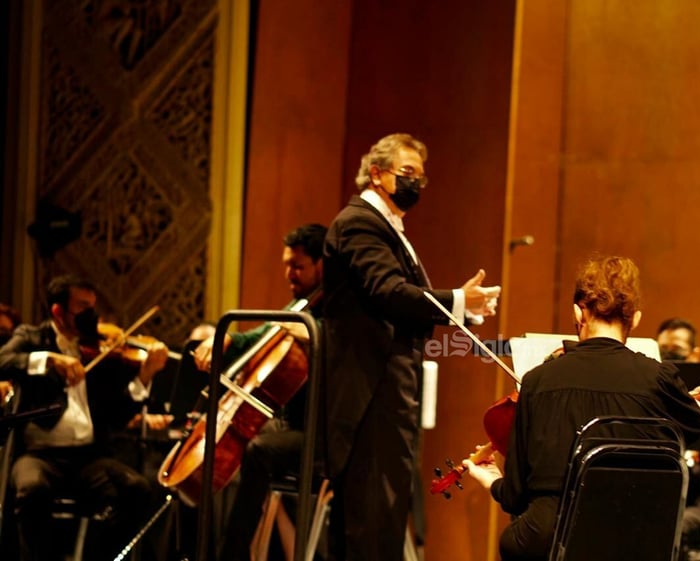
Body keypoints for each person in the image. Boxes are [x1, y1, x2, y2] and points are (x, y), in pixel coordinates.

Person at [321, 132, 500, 561]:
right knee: (373, 509)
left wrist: (464, 309)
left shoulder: (387, 226)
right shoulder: (361, 221)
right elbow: (387, 291)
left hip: (387, 383)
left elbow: (403, 297)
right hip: (371, 387)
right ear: (378, 174)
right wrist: (456, 299)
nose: (416, 183)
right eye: (407, 173)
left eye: (421, 176)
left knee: (385, 508)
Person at [462, 255, 700, 560]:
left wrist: (492, 481)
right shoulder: (659, 378)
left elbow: (514, 497)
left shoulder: (537, 381)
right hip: (633, 541)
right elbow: (695, 429)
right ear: (637, 319)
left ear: (578, 312)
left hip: (550, 540)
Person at [0, 274, 169, 561]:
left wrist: (144, 376)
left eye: (93, 306)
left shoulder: (96, 348)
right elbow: (4, 359)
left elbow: (117, 414)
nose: (91, 315)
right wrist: (50, 359)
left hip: (87, 457)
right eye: (82, 307)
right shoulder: (32, 337)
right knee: (31, 491)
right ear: (58, 311)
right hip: (39, 454)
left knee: (138, 490)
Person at [191, 223, 327, 561]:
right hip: (292, 427)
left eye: (298, 266)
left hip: (325, 434)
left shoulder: (338, 308)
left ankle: (231, 556)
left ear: (321, 264)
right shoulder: (299, 305)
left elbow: (338, 343)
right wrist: (225, 340)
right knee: (226, 440)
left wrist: (311, 334)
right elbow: (260, 338)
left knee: (259, 450)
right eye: (286, 264)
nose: (288, 273)